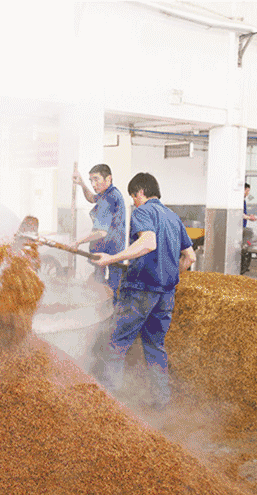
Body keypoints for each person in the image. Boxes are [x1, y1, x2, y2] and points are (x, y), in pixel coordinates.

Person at [91, 172, 196, 407]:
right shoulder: (172, 216)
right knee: (155, 347)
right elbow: (190, 257)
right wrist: (170, 276)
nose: (133, 203)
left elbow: (148, 242)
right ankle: (162, 402)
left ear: (140, 192)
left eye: (133, 197)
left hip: (140, 289)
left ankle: (109, 404)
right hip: (165, 295)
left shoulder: (143, 211)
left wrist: (111, 259)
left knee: (117, 342)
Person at [72, 164, 126, 301]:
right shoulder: (108, 193)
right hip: (109, 249)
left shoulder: (109, 199)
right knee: (102, 288)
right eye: (91, 180)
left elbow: (101, 232)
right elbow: (91, 198)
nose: (93, 184)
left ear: (108, 179)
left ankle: (107, 319)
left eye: (96, 179)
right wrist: (82, 184)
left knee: (107, 292)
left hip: (109, 252)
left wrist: (78, 242)